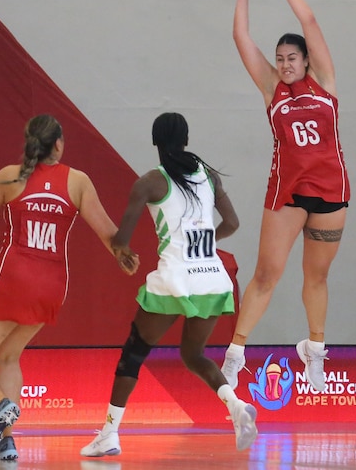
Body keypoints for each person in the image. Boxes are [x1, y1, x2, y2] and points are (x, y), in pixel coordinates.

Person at [81, 112, 257, 458]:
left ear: (155, 142)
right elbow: (233, 223)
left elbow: (121, 238)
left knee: (134, 352)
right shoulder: (208, 176)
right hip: (212, 278)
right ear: (187, 140)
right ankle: (236, 407)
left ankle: (109, 434)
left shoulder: (149, 182)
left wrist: (123, 252)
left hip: (176, 278)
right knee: (194, 356)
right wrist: (204, 243)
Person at [0, 114, 132, 461]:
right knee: (7, 356)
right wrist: (125, 256)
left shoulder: (12, 175)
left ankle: (0, 405)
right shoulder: (78, 181)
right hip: (53, 285)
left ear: (29, 143)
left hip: (14, 277)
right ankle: (5, 443)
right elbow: (109, 233)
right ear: (59, 145)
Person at [220, 0, 350, 393]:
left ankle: (314, 350)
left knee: (316, 276)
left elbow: (310, 24)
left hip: (331, 192)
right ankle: (235, 354)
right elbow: (241, 38)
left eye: (291, 57)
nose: (285, 63)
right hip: (288, 193)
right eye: (280, 58)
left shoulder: (326, 82)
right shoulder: (272, 88)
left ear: (307, 60)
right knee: (266, 274)